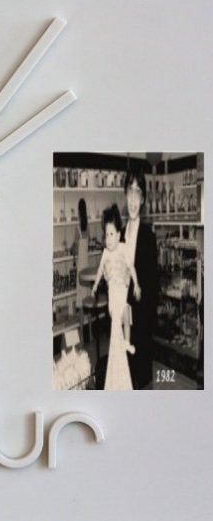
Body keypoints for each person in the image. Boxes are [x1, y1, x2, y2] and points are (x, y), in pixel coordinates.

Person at [92, 205, 140, 390]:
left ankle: (126, 343)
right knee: (118, 317)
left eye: (112, 234)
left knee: (127, 315)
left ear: (119, 235)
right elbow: (99, 271)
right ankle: (119, 351)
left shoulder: (123, 248)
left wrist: (136, 284)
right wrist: (95, 285)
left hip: (123, 293)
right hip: (113, 296)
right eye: (106, 235)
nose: (109, 238)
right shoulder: (106, 253)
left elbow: (131, 267)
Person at [121, 167, 158, 389]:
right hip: (122, 321)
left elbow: (153, 288)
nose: (133, 199)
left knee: (143, 382)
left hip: (142, 324)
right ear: (125, 195)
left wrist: (144, 324)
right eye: (130, 191)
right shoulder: (118, 235)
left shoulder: (149, 237)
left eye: (138, 192)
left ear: (143, 199)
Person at [72, 199, 90, 329]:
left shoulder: (77, 229)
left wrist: (71, 247)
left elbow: (75, 249)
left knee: (81, 301)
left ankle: (82, 334)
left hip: (80, 269)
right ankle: (90, 333)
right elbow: (87, 245)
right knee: (87, 300)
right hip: (87, 267)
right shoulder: (88, 228)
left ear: (78, 212)